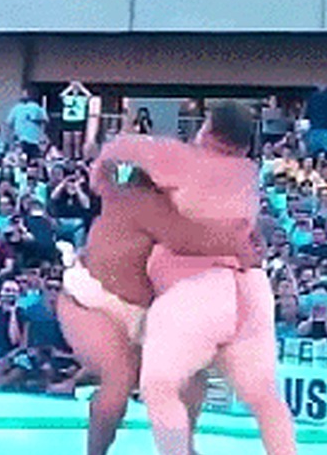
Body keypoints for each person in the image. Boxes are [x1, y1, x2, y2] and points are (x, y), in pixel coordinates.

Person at [55, 105, 265, 455]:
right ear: (203, 135)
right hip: (95, 298)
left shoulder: (229, 201)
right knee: (119, 381)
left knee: (192, 376)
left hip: (153, 314)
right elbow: (109, 172)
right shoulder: (154, 167)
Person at [125, 102, 296, 455]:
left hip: (198, 291)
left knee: (159, 386)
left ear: (208, 131)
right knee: (261, 395)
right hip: (248, 289)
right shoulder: (244, 177)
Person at [6, 88, 48, 160]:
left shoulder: (18, 108)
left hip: (24, 139)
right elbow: (45, 121)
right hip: (30, 140)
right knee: (33, 160)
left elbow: (9, 123)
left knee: (20, 159)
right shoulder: (35, 108)